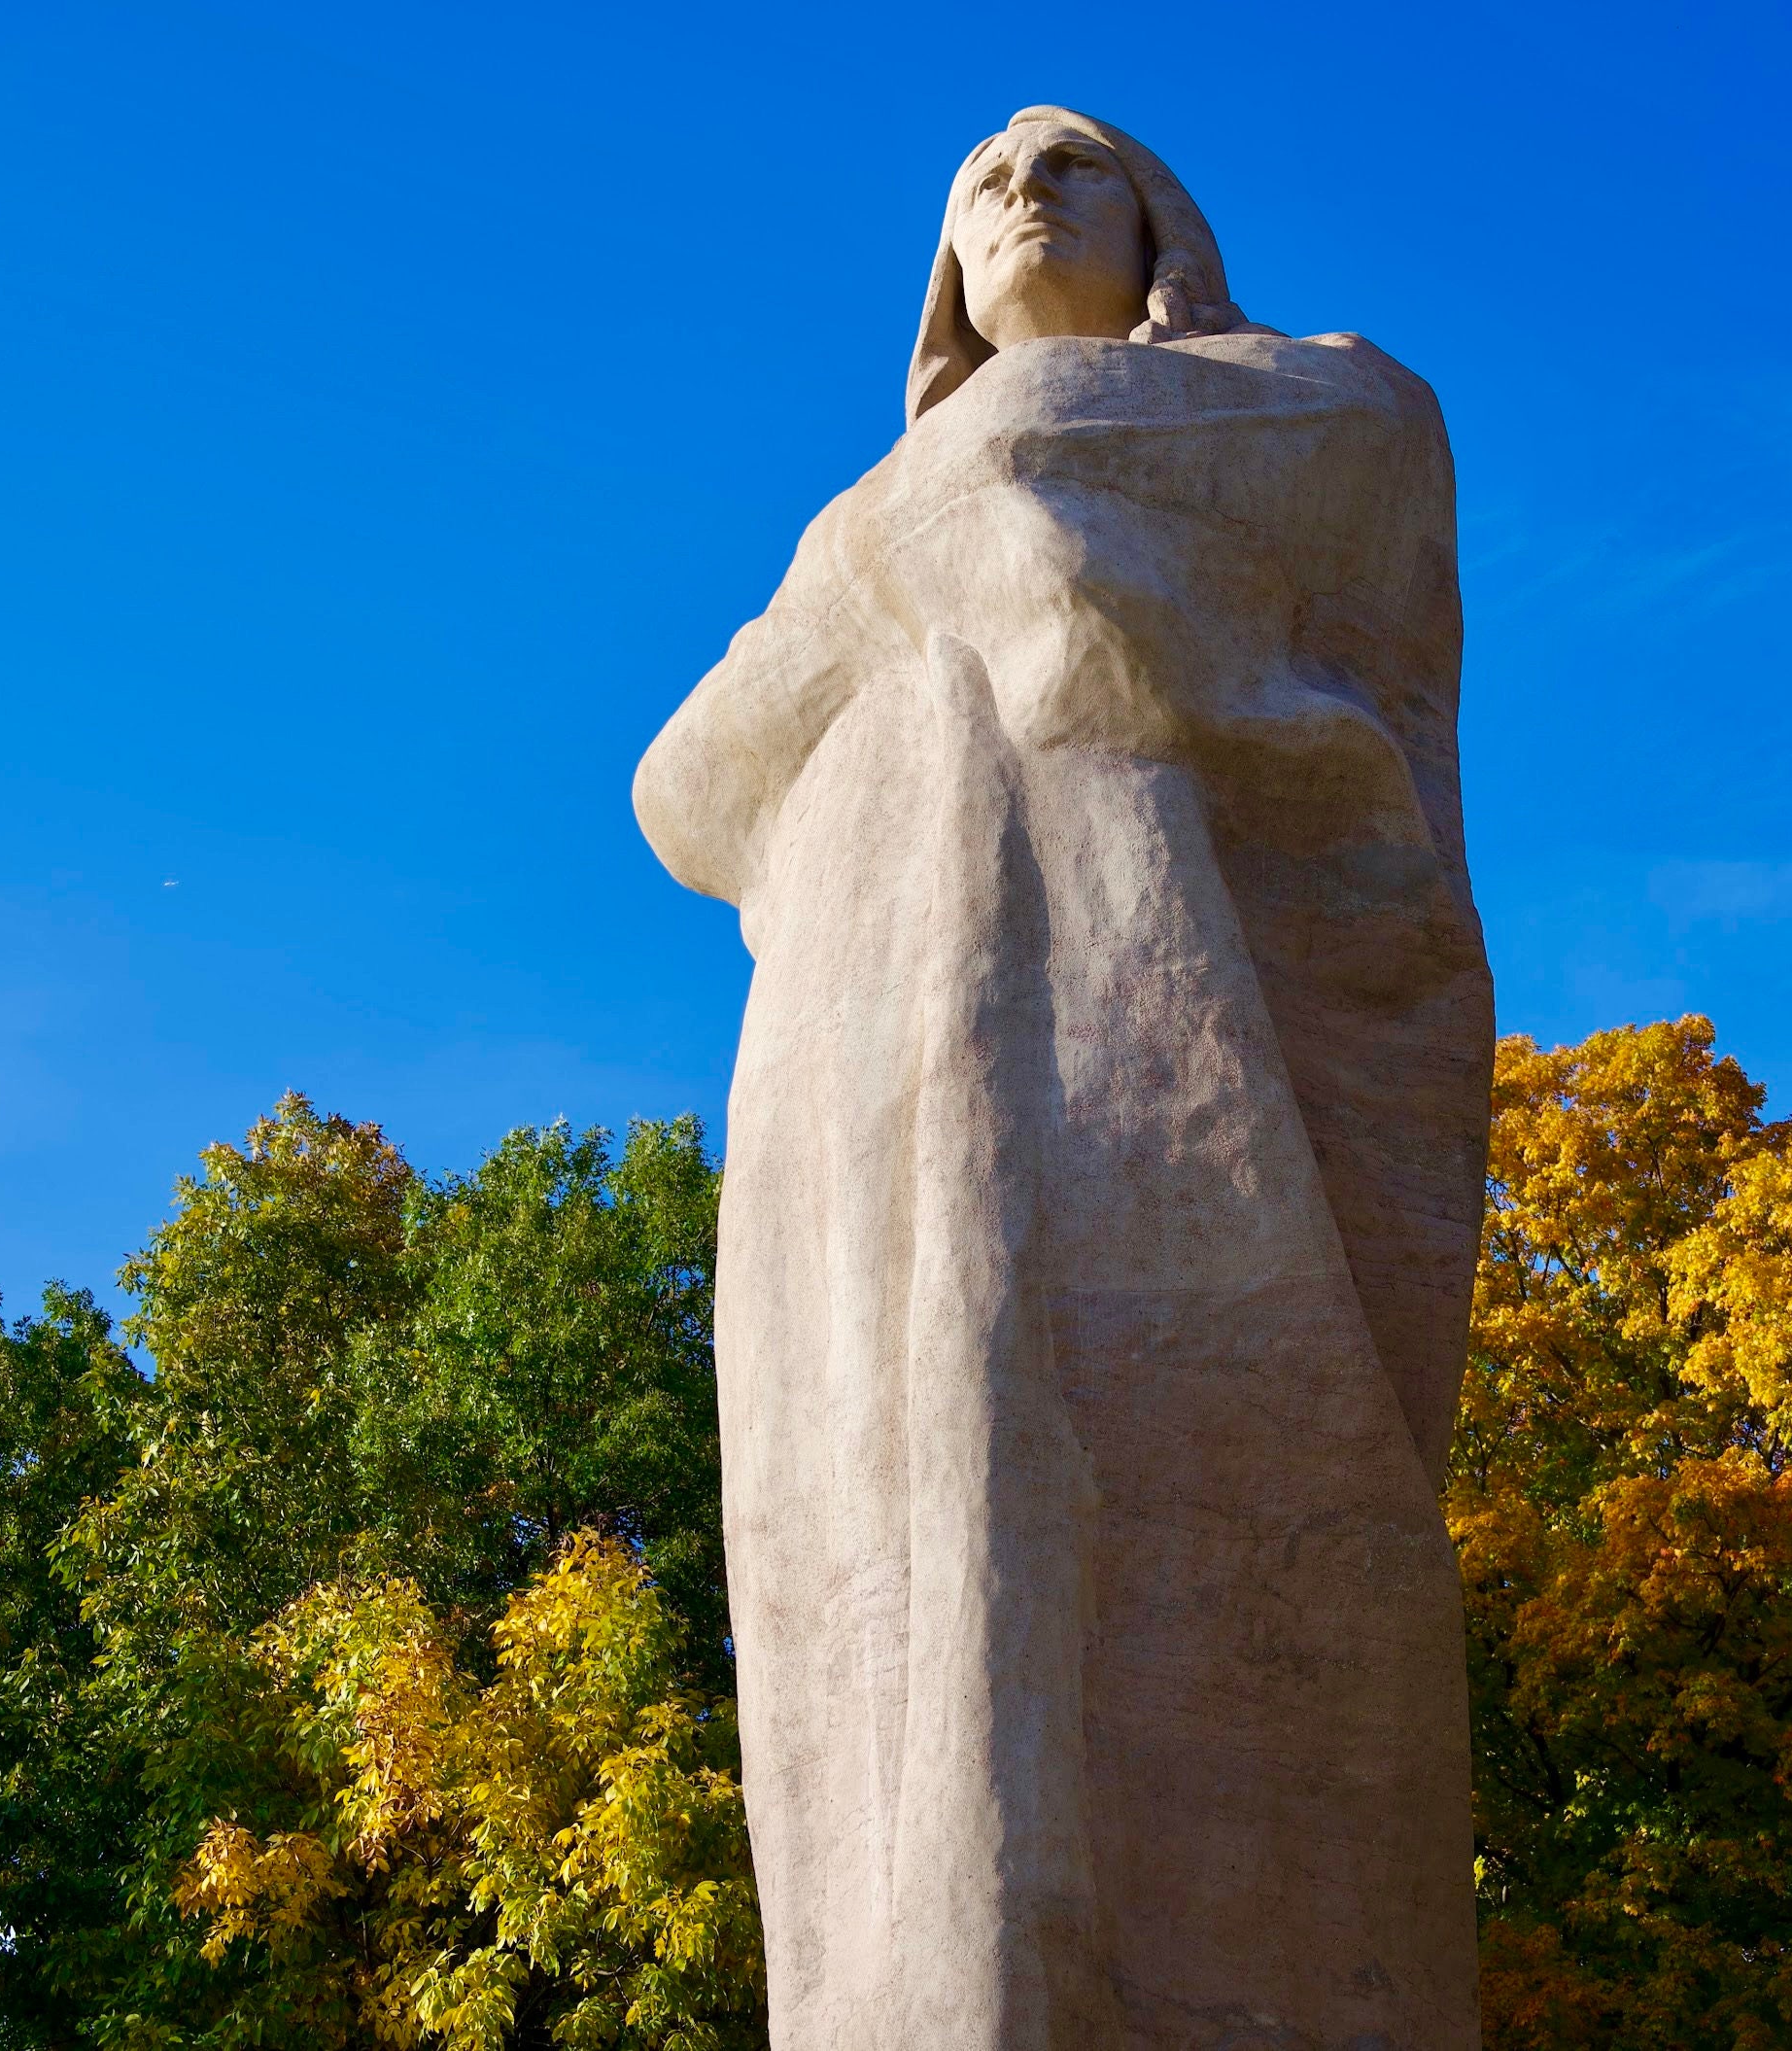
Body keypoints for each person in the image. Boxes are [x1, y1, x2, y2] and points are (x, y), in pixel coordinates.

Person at [636, 106, 1492, 2051]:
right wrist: (929, 553)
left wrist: (949, 537)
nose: (1019, 193)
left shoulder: (1318, 404)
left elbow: (1113, 540)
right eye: (976, 185)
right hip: (853, 1102)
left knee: (1134, 1526)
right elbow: (680, 790)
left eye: (1070, 166)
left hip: (1140, 1034)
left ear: (1163, 228)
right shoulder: (870, 514)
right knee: (888, 1598)